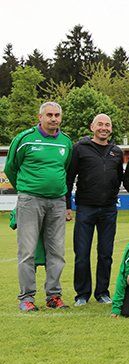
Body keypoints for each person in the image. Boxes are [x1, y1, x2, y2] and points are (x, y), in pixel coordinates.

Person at [5, 101, 73, 311]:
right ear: (40, 117)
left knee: (57, 252)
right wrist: (26, 189)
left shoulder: (66, 142)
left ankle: (54, 296)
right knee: (27, 251)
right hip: (30, 201)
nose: (53, 118)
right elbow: (11, 168)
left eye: (57, 115)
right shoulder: (24, 139)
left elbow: (65, 169)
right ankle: (26, 298)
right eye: (49, 115)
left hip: (57, 202)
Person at [66, 113, 123, 306]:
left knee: (105, 254)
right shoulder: (79, 149)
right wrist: (67, 206)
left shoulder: (116, 152)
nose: (104, 128)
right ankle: (82, 294)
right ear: (92, 127)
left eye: (107, 125)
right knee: (82, 254)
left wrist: (111, 196)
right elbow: (69, 178)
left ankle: (102, 293)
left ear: (111, 129)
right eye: (100, 124)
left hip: (109, 210)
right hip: (85, 208)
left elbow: (118, 178)